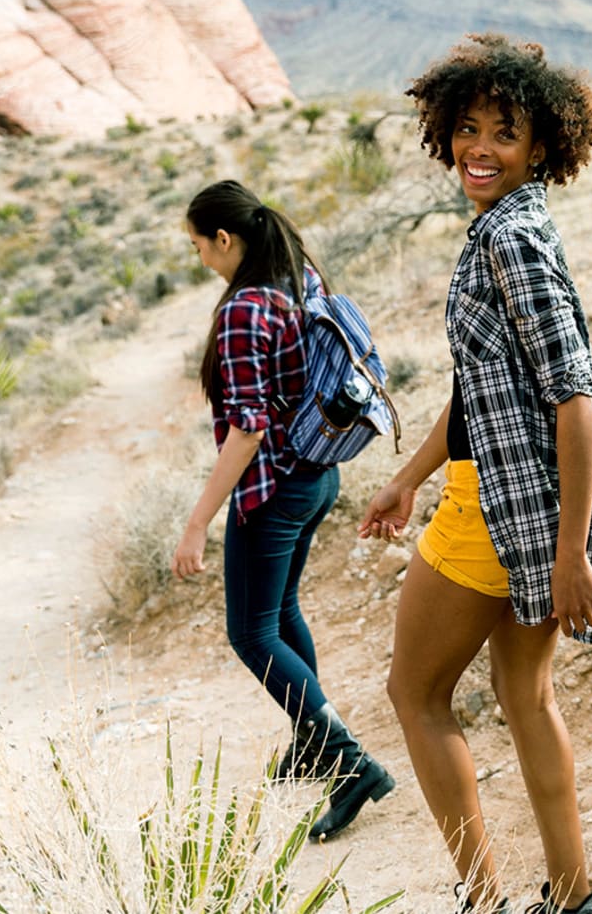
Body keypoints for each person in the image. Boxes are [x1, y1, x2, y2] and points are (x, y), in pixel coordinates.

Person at [360, 34, 592, 914]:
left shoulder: (511, 241)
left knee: (414, 694)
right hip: (520, 506)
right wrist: (409, 476)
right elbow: (481, 390)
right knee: (523, 695)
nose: (480, 148)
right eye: (467, 128)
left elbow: (575, 400)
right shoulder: (517, 227)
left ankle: (482, 900)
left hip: (496, 513)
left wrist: (571, 554)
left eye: (505, 132)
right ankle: (573, 898)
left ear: (540, 145)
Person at [172, 179, 393, 841]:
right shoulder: (296, 280)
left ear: (225, 238)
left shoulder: (245, 310)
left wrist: (197, 523)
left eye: (199, 247)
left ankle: (350, 762)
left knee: (251, 632)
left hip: (272, 490)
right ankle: (314, 741)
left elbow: (248, 428)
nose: (201, 260)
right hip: (316, 478)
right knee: (282, 610)